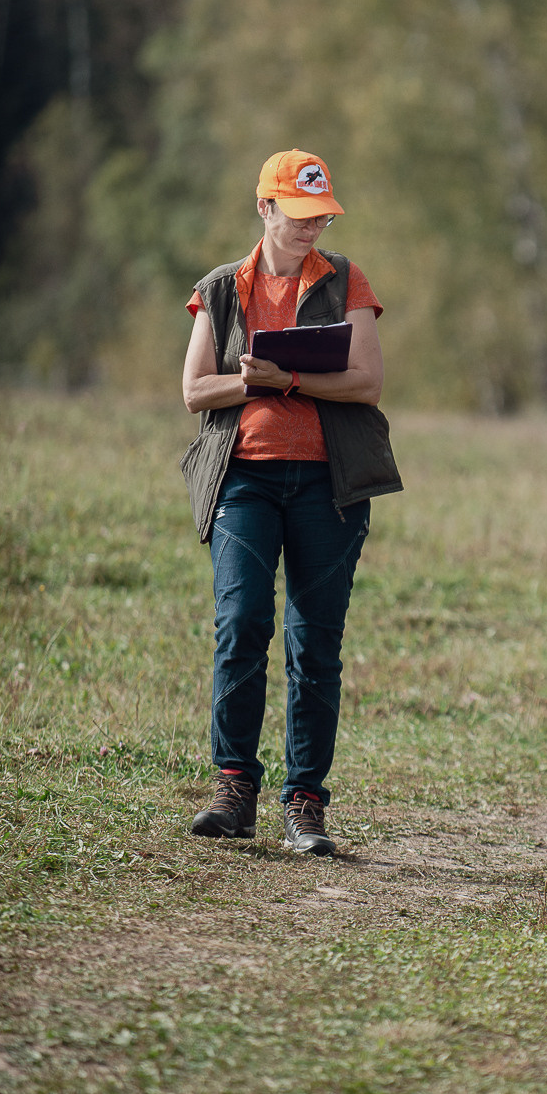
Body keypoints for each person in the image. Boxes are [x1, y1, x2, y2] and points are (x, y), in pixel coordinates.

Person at [181, 149, 401, 856]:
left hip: (327, 486)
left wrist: (292, 381)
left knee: (315, 644)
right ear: (265, 209)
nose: (312, 228)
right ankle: (233, 787)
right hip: (243, 480)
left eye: (322, 215)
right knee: (241, 623)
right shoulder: (220, 289)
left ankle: (305, 803)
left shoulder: (345, 281)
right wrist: (255, 383)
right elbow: (193, 391)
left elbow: (366, 382)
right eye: (300, 215)